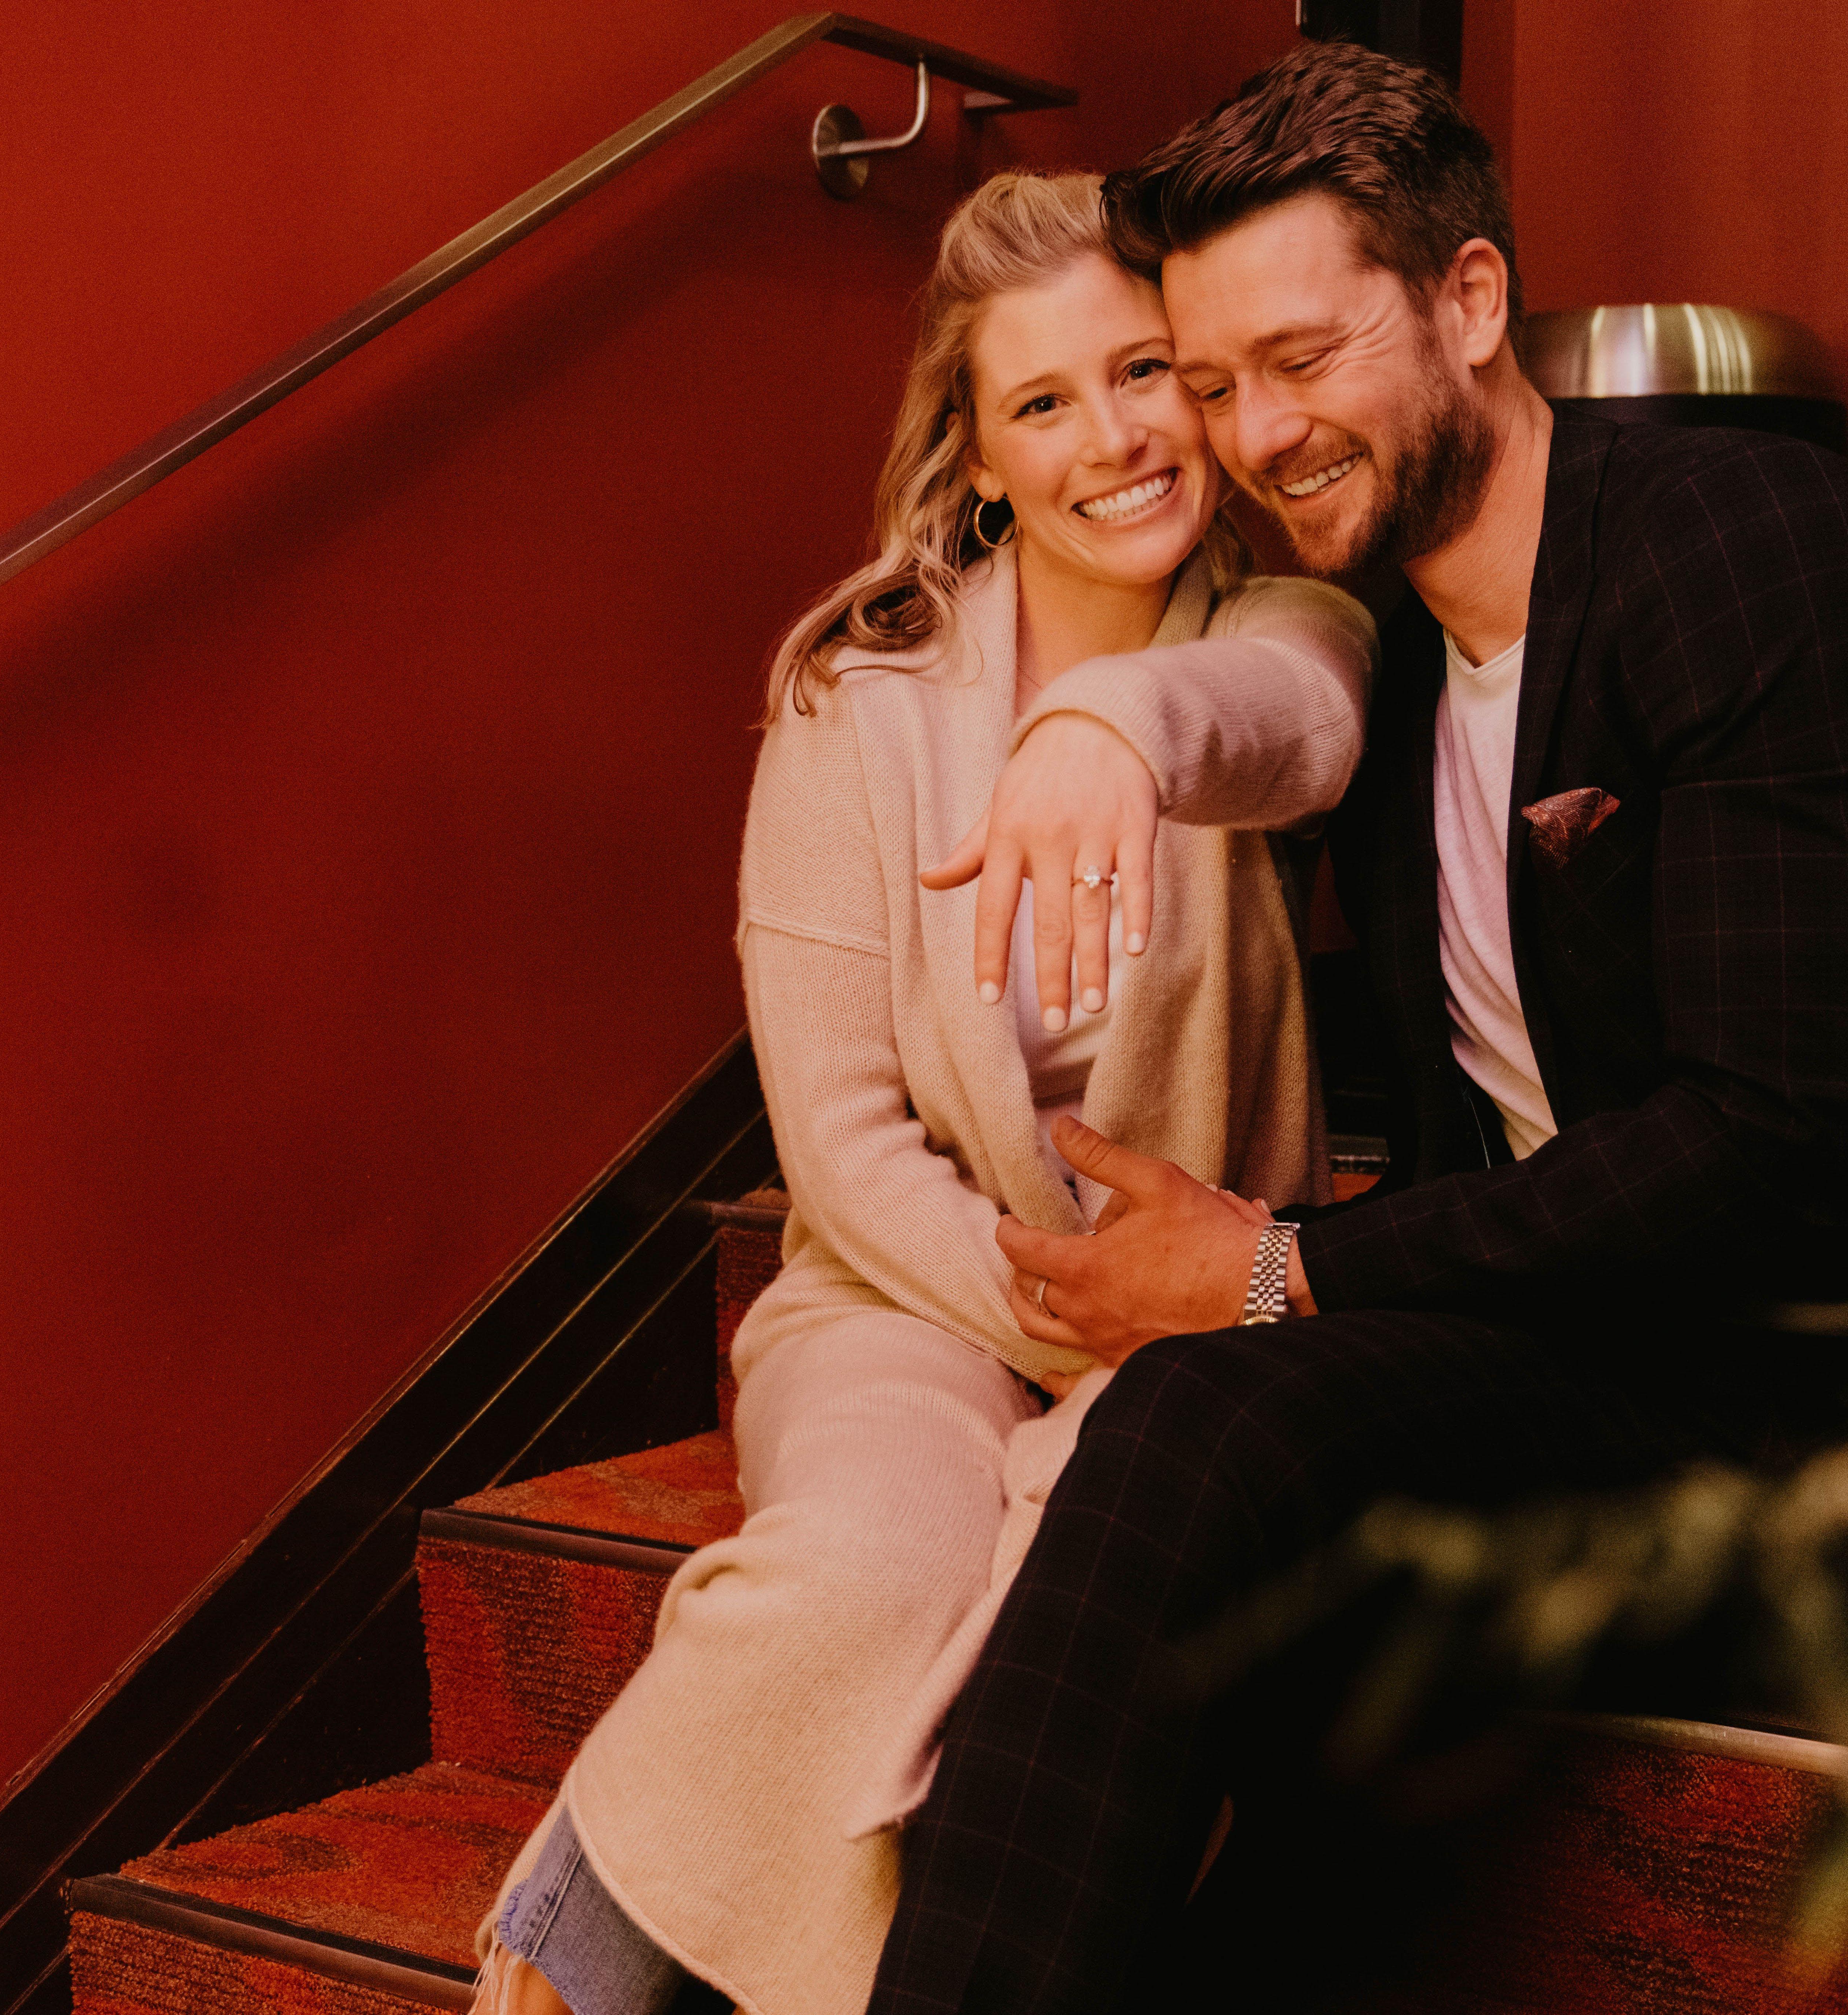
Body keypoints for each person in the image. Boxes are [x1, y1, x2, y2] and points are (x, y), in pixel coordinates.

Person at [867, 41, 1848, 2015]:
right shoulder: (1379, 656)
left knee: (1224, 1440)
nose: (1256, 433)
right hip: (1583, 1356)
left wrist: (1281, 1268)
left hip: (1782, 1383)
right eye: (1214, 380)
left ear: (1469, 302)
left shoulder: (1732, 541)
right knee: (1211, 1484)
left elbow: (1774, 1139)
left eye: (1303, 358)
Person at [470, 169, 1376, 2015]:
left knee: (1063, 1623)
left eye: (1143, 371)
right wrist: (1065, 1310)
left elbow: (1296, 725)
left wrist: (1110, 730)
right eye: (1043, 401)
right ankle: (577, 1941)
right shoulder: (858, 696)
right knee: (869, 1571)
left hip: (1203, 1318)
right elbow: (842, 1136)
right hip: (899, 1289)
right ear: (978, 459)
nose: (1113, 439)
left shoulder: (1292, 621)